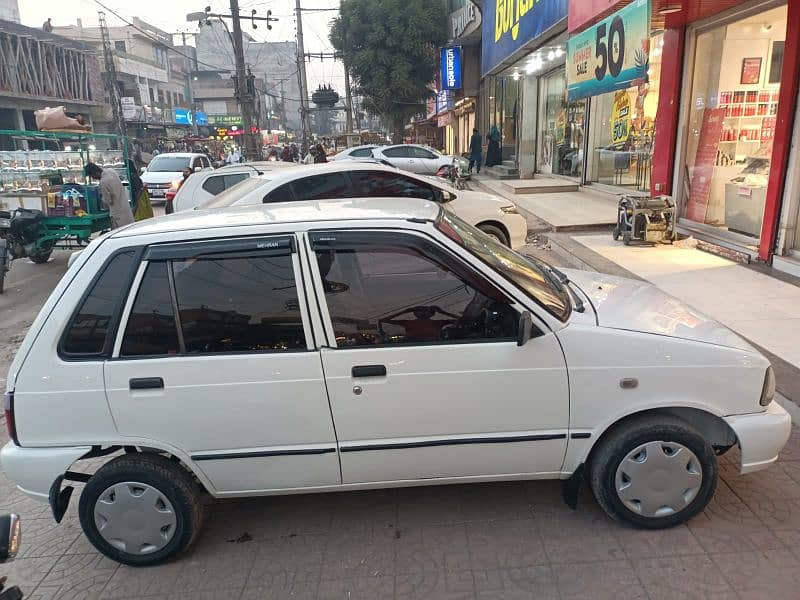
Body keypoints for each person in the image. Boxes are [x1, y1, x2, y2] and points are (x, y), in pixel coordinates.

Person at [85, 162, 134, 229]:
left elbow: (108, 200)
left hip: (117, 214)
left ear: (94, 173)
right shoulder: (111, 171)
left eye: (92, 176)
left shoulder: (103, 182)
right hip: (126, 209)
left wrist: (101, 197)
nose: (93, 178)